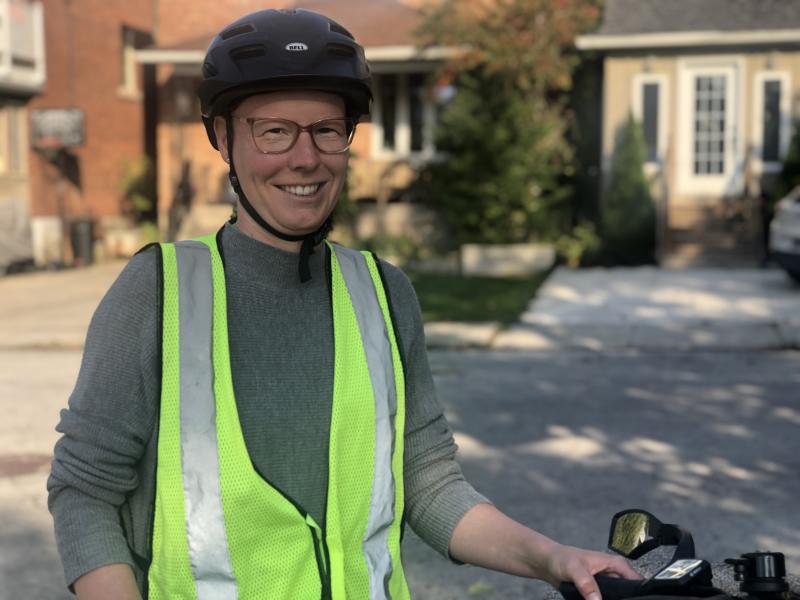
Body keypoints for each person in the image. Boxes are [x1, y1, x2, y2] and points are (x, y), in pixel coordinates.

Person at [48, 8, 639, 600]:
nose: (306, 158)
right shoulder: (157, 292)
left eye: (328, 129)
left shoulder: (383, 293)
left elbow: (427, 483)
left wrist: (553, 557)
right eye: (274, 130)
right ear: (223, 138)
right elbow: (85, 494)